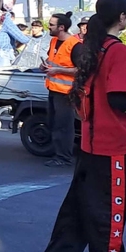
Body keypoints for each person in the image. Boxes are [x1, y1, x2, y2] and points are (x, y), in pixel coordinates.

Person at [39, 0, 126, 252]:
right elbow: (118, 98)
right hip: (111, 143)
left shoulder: (94, 45)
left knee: (78, 207)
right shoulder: (115, 50)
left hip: (91, 140)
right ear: (122, 17)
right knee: (110, 211)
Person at [41, 13, 80, 169]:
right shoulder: (54, 41)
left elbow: (81, 70)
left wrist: (57, 70)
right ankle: (59, 154)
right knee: (55, 123)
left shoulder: (75, 45)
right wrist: (45, 67)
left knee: (63, 126)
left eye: (51, 24)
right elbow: (52, 61)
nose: (48, 27)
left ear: (61, 27)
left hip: (66, 92)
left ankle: (64, 157)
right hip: (53, 89)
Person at [0, 0, 29, 67]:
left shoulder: (4, 18)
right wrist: (31, 41)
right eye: (8, 2)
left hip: (6, 52)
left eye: (11, 2)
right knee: (6, 76)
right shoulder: (7, 20)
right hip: (6, 53)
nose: (10, 4)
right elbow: (19, 35)